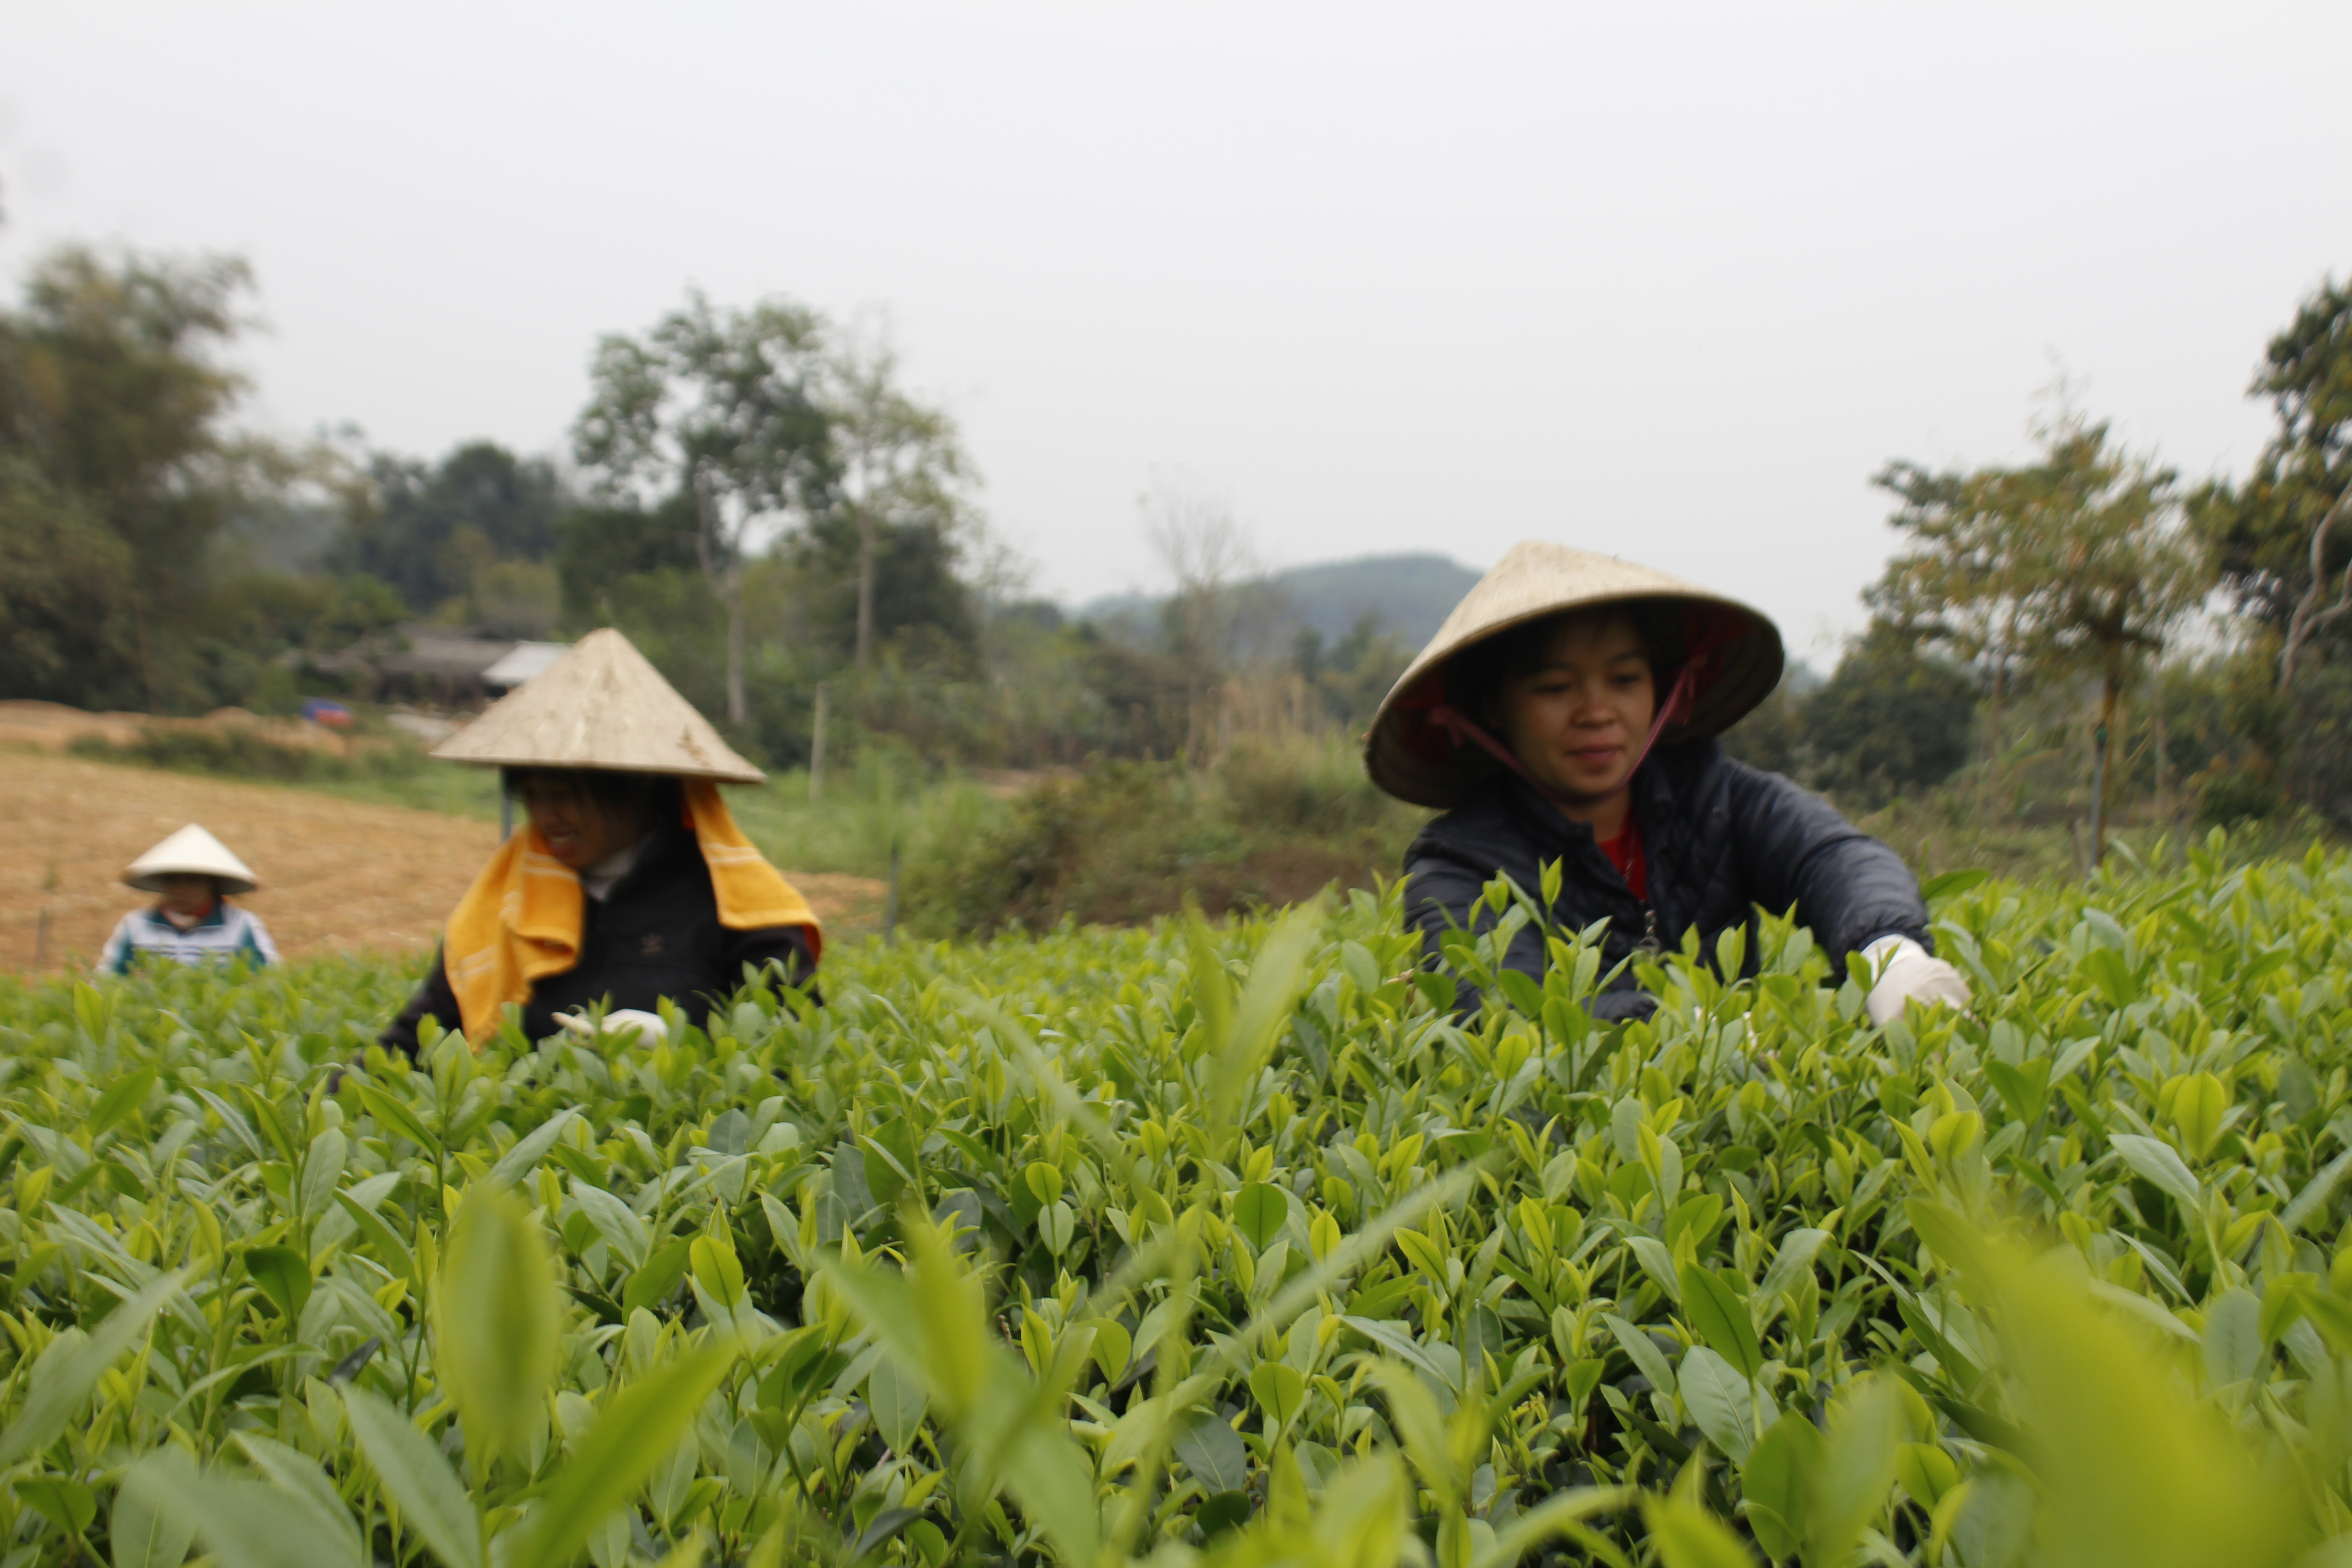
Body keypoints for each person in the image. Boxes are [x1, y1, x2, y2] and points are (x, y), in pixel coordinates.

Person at [1365, 540, 1970, 1024]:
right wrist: (1693, 1034)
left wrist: (1891, 957)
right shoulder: (1459, 867)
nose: (1597, 711)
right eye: (1555, 688)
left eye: (1625, 679)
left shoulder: (1717, 798)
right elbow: (1509, 1008)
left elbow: (1832, 856)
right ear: (1493, 707)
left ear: (1662, 689)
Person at [380, 629, 821, 1056]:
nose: (544, 816)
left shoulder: (738, 909)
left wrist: (686, 1046)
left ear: (638, 789)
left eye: (562, 794)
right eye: (530, 795)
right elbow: (422, 1038)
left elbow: (790, 1048)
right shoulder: (510, 902)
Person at [98, 825, 281, 974]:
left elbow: (268, 980)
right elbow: (108, 979)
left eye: (192, 881)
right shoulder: (136, 925)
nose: (180, 890)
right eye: (171, 881)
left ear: (211, 885)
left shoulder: (241, 925)